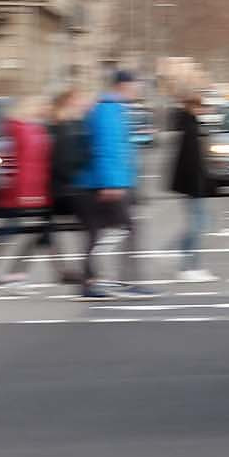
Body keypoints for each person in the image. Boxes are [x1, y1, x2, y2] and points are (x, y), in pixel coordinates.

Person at [75, 70, 151, 300]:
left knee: (96, 233)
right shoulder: (108, 109)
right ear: (124, 86)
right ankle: (127, 281)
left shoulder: (112, 108)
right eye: (136, 85)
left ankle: (90, 283)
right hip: (104, 184)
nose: (139, 89)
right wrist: (112, 184)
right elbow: (107, 148)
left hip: (99, 182)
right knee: (127, 229)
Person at [0, 97, 54, 287]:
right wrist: (21, 192)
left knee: (37, 231)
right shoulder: (16, 129)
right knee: (9, 232)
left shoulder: (35, 128)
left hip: (34, 191)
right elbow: (10, 162)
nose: (43, 108)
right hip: (19, 193)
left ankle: (12, 271)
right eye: (39, 105)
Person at [169, 89, 214, 282]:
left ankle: (187, 262)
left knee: (200, 223)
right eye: (201, 106)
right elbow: (190, 162)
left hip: (193, 184)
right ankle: (187, 267)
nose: (204, 109)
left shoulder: (191, 124)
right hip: (192, 185)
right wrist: (198, 185)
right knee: (198, 225)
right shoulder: (189, 127)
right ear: (193, 107)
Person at [46, 87, 89, 284]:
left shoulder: (72, 123)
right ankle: (76, 271)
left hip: (65, 184)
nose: (82, 102)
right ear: (69, 101)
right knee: (86, 226)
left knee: (48, 232)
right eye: (78, 99)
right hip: (62, 185)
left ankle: (69, 270)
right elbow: (60, 157)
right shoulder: (60, 125)